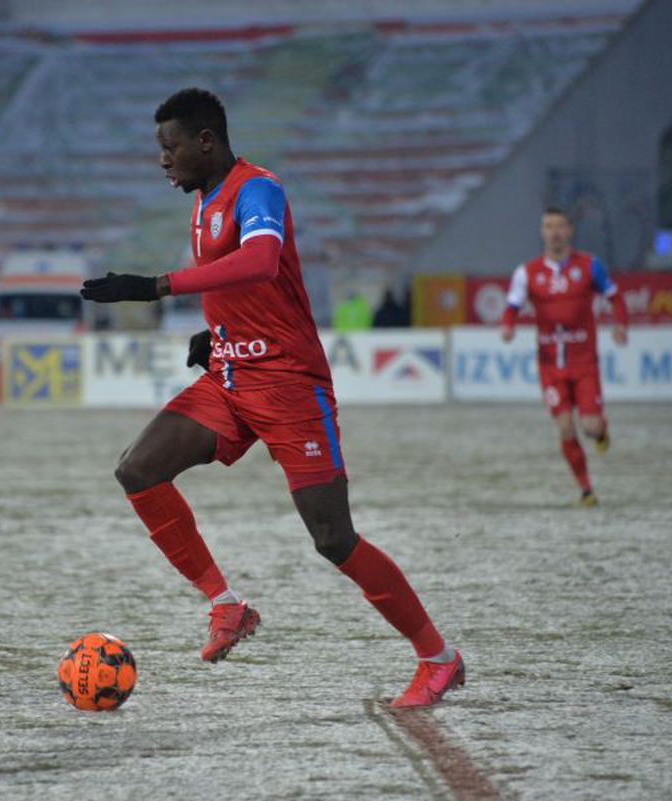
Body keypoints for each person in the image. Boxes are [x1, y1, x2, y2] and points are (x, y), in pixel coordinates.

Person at [80, 88, 462, 708]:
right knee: (138, 469)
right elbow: (246, 289)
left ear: (206, 141)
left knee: (334, 538)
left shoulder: (259, 189)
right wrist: (218, 332)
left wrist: (155, 287)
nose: (162, 160)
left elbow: (260, 262)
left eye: (169, 147)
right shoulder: (202, 201)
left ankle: (438, 658)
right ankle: (227, 605)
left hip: (290, 386)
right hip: (232, 376)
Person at [500, 207, 628, 506]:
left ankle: (601, 433)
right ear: (542, 232)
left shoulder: (589, 266)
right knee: (566, 427)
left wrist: (620, 325)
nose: (554, 232)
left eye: (560, 226)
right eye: (548, 226)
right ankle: (586, 490)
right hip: (550, 365)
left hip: (584, 363)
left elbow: (615, 296)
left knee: (590, 427)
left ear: (569, 230)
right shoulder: (527, 272)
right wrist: (508, 326)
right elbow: (512, 306)